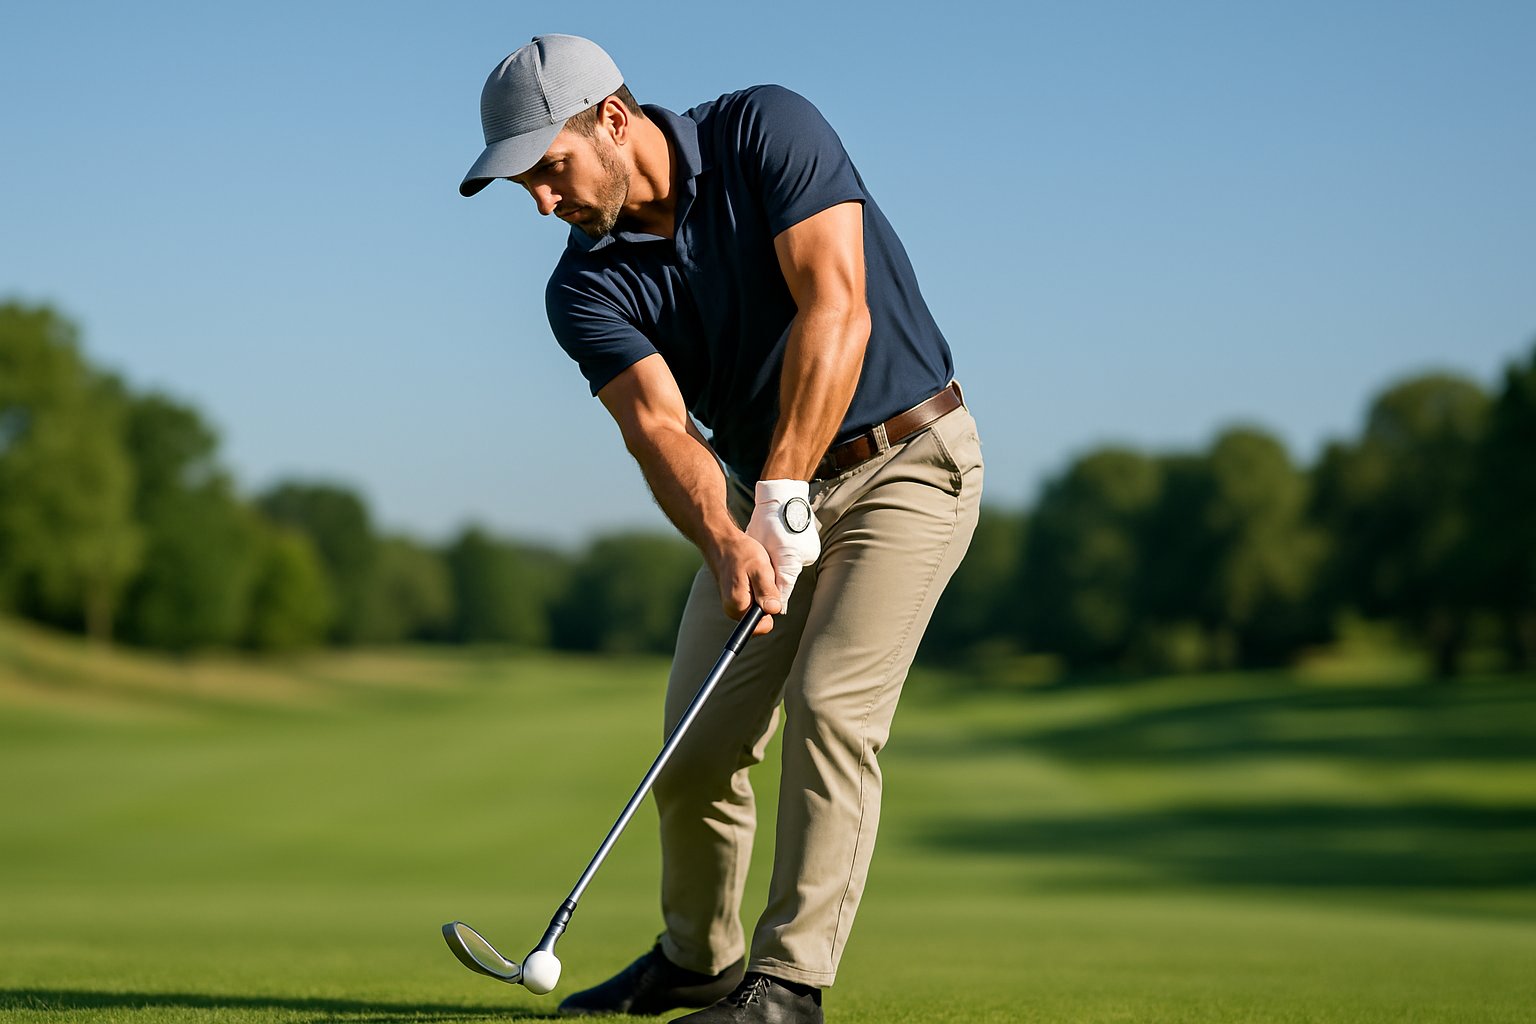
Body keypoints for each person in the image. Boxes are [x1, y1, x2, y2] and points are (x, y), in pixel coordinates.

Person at [459, 34, 983, 1024]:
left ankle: (787, 986)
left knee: (832, 708)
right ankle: (699, 959)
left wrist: (784, 486)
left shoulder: (766, 130)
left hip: (909, 464)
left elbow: (840, 305)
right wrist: (732, 537)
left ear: (613, 118)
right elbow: (659, 430)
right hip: (757, 499)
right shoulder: (582, 288)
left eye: (549, 168)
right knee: (694, 749)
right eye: (523, 183)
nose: (541, 201)